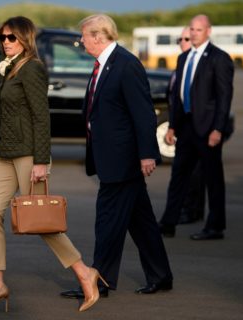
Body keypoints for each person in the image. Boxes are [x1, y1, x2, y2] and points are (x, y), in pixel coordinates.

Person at [0, 16, 104, 314]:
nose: (5, 41)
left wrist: (41, 160)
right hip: (6, 152)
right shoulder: (9, 67)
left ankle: (85, 272)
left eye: (11, 38)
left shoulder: (32, 68)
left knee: (41, 220)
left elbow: (42, 117)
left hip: (30, 154)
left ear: (25, 39)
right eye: (2, 37)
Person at [61, 14, 173, 299]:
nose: (81, 41)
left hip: (122, 159)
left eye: (84, 36)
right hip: (111, 157)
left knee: (107, 220)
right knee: (142, 222)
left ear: (99, 36)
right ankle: (161, 276)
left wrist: (147, 154)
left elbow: (144, 113)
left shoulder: (126, 64)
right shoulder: (103, 64)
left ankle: (98, 281)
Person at [158, 14, 234, 240]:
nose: (193, 33)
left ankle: (215, 226)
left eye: (198, 30)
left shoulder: (219, 59)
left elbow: (224, 97)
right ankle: (168, 222)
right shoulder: (184, 59)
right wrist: (172, 126)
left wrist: (218, 129)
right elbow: (179, 97)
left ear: (208, 31)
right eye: (191, 29)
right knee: (178, 175)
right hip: (186, 127)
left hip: (208, 128)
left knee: (213, 178)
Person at [170, 27, 206, 226]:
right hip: (182, 129)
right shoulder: (181, 64)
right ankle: (184, 209)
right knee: (183, 172)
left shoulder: (200, 65)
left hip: (198, 128)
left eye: (186, 38)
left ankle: (193, 211)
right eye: (180, 39)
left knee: (196, 173)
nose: (183, 42)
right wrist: (172, 127)